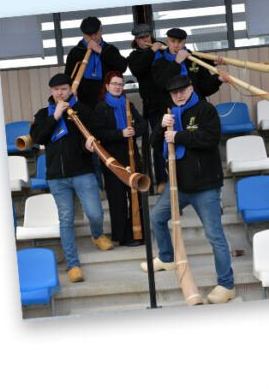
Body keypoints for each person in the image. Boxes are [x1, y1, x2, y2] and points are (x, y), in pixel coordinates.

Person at [144, 75, 235, 304]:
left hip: (205, 186)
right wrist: (160, 128)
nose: (179, 95)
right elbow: (156, 143)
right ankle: (167, 257)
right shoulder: (171, 113)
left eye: (182, 90)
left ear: (191, 88)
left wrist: (178, 136)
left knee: (215, 236)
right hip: (178, 186)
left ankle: (227, 284)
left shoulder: (206, 110)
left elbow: (211, 138)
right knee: (156, 217)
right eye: (174, 92)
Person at [29, 73, 114, 282]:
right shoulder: (43, 114)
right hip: (57, 177)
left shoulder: (83, 110)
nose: (60, 93)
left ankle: (97, 234)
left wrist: (88, 147)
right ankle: (73, 265)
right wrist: (55, 116)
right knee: (66, 220)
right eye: (56, 89)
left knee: (95, 214)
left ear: (71, 90)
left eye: (64, 89)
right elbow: (39, 138)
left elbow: (94, 137)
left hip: (83, 172)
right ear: (51, 91)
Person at [91, 71, 145, 246]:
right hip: (112, 160)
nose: (117, 87)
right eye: (114, 84)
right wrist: (120, 133)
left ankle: (138, 232)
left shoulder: (128, 104)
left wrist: (134, 131)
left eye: (120, 84)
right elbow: (99, 134)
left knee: (137, 194)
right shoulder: (100, 108)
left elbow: (143, 124)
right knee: (118, 199)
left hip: (132, 157)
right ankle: (123, 236)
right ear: (107, 86)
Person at [127, 23, 168, 193]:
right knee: (158, 141)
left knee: (174, 139)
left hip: (170, 102)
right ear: (136, 40)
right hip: (153, 105)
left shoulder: (163, 50)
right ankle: (162, 180)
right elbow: (138, 69)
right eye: (141, 38)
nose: (145, 40)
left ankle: (179, 177)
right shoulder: (134, 56)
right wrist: (151, 51)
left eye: (147, 37)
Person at [65, 16, 128, 110]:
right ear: (83, 34)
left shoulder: (110, 49)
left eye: (96, 33)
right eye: (89, 35)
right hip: (85, 102)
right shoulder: (75, 52)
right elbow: (68, 77)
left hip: (109, 100)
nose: (93, 37)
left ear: (101, 30)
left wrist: (100, 50)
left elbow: (122, 67)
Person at [151, 28, 225, 101]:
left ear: (184, 43)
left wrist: (218, 79)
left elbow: (204, 88)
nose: (176, 45)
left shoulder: (194, 59)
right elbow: (162, 85)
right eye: (173, 41)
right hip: (173, 109)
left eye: (179, 42)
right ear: (167, 42)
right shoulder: (159, 63)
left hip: (197, 106)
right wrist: (177, 62)